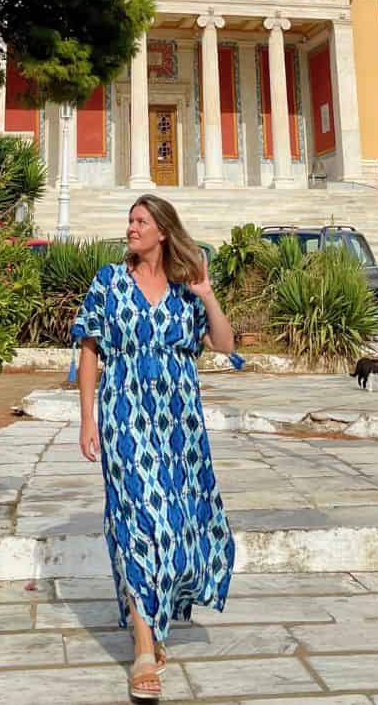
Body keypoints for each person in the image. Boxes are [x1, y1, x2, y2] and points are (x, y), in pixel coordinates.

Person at [73, 193, 237, 701]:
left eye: (140, 221)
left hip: (179, 424)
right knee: (139, 520)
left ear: (163, 231)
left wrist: (207, 294)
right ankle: (144, 648)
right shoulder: (109, 281)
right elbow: (89, 351)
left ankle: (154, 620)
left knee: (179, 525)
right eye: (129, 221)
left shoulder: (186, 291)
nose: (131, 228)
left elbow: (226, 347)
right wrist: (88, 418)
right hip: (124, 416)